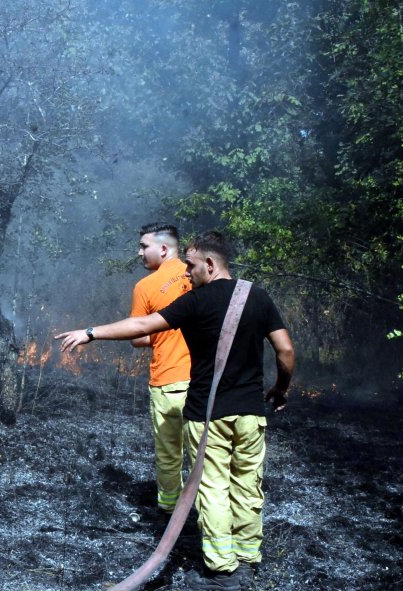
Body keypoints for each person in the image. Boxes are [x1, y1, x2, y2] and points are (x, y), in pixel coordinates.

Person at [55, 231, 295, 591]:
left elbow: (141, 326)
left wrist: (92, 332)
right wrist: (280, 388)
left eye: (192, 266)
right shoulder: (258, 297)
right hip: (250, 413)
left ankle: (223, 570)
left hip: (207, 413)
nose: (187, 273)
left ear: (210, 265)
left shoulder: (196, 302)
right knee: (247, 486)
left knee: (213, 489)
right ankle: (248, 558)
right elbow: (286, 350)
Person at [131, 223, 192, 515]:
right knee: (207, 456)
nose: (139, 252)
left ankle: (169, 512)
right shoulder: (202, 275)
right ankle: (206, 516)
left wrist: (160, 327)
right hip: (204, 383)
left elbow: (138, 337)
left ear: (164, 249)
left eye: (144, 246)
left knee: (169, 455)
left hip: (168, 382)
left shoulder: (146, 286)